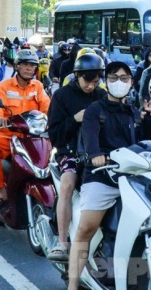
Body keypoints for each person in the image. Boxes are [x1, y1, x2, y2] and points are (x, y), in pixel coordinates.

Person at [67, 61, 151, 290]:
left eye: (124, 78)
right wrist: (96, 155)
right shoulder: (95, 110)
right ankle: (72, 283)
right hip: (102, 176)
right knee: (86, 228)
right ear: (106, 83)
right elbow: (90, 138)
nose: (120, 82)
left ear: (132, 82)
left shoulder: (135, 113)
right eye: (114, 78)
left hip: (132, 179)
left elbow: (148, 144)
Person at [47, 53, 107, 261]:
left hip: (99, 152)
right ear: (77, 75)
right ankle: (62, 241)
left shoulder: (101, 96)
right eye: (87, 81)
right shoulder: (61, 96)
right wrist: (75, 119)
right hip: (70, 151)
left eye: (96, 81)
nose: (91, 86)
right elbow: (54, 134)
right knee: (67, 184)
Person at [0, 50, 50, 208]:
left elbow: (47, 106)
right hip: (8, 135)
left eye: (32, 66)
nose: (29, 69)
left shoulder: (38, 86)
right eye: (25, 65)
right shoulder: (4, 86)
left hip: (33, 137)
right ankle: (1, 191)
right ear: (17, 66)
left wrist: (52, 118)